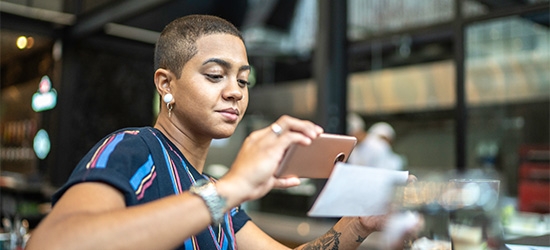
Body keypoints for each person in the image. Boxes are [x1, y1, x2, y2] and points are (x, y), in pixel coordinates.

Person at [26, 15, 416, 250]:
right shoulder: (133, 149)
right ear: (166, 84)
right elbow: (51, 243)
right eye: (215, 75)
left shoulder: (210, 190)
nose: (234, 90)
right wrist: (231, 187)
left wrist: (358, 222)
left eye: (243, 81)